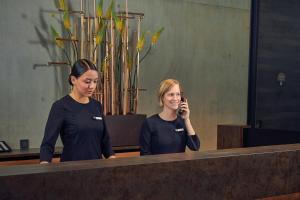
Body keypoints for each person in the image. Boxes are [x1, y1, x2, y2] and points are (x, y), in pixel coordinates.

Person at [40, 59, 115, 163]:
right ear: (73, 79)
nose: (92, 86)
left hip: (97, 170)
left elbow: (105, 141)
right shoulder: (60, 106)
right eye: (87, 82)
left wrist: (113, 161)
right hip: (70, 170)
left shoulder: (96, 106)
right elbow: (48, 143)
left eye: (95, 81)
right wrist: (44, 163)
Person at [140, 79, 200, 155]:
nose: (175, 98)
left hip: (178, 166)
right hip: (157, 166)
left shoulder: (182, 122)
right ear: (162, 97)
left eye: (178, 94)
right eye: (171, 94)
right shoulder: (149, 123)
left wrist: (187, 119)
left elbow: (195, 147)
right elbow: (144, 155)